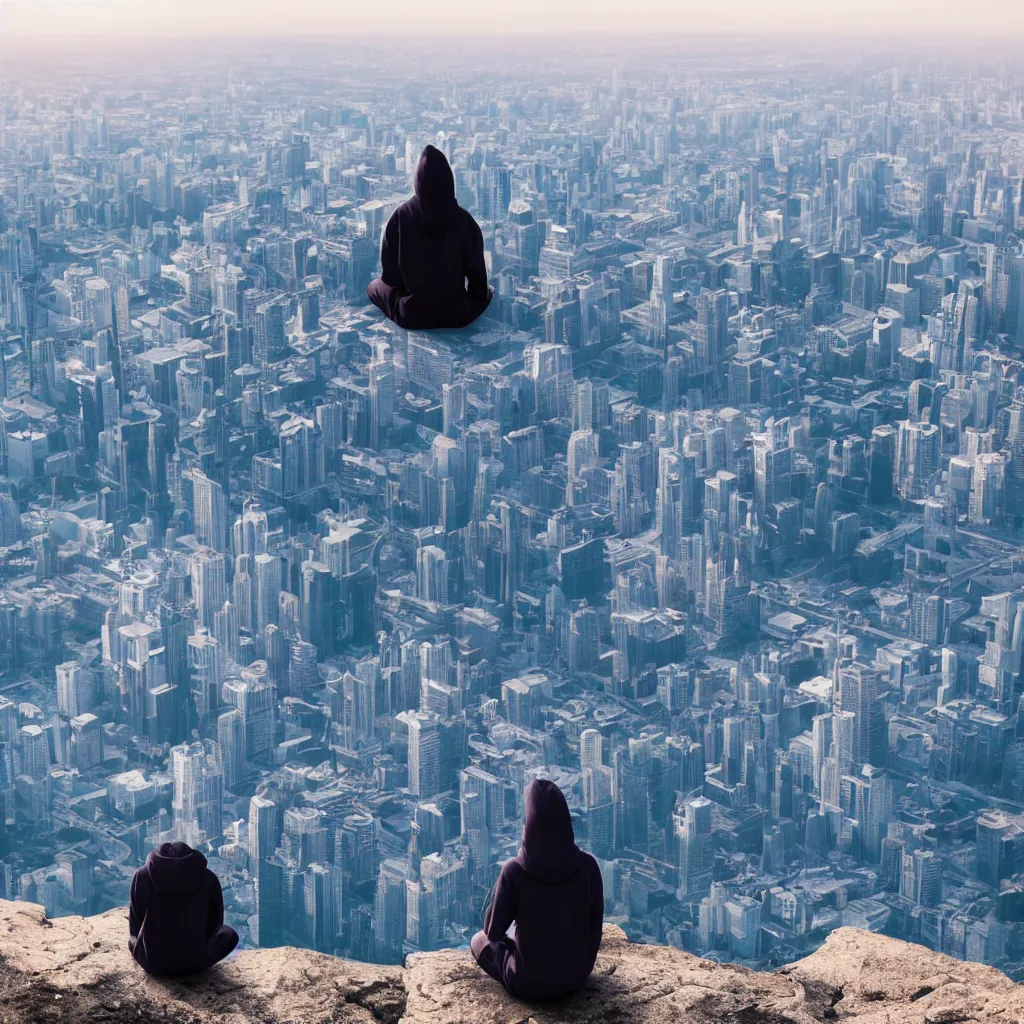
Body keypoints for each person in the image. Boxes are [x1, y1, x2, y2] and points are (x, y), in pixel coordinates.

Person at [470, 778, 604, 1001]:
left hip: (527, 983)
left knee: (478, 941)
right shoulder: (588, 866)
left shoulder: (514, 871)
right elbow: (595, 928)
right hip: (576, 978)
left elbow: (492, 933)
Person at [366, 144, 492, 331]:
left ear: (417, 182)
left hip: (411, 315)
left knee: (374, 287)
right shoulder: (466, 222)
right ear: (449, 182)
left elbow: (390, 278)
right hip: (458, 315)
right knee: (488, 293)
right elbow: (479, 285)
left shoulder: (399, 217)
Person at [128, 841, 239, 977]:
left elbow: (135, 922)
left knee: (133, 940)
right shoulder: (208, 878)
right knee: (229, 934)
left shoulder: (141, 875)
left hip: (152, 963)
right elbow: (215, 923)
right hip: (195, 964)